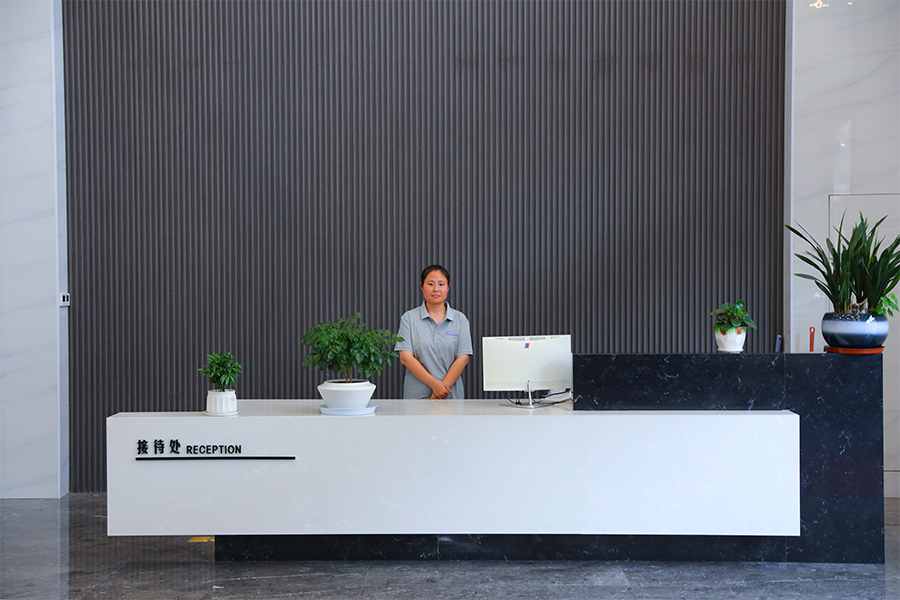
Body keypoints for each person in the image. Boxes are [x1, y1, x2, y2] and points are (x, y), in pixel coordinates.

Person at [396, 265, 473, 399]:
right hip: (417, 397)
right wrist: (435, 385)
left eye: (441, 284)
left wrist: (441, 391)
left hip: (450, 395)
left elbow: (462, 359)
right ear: (422, 286)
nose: (436, 289)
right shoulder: (409, 318)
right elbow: (406, 358)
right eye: (430, 284)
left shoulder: (460, 319)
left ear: (448, 287)